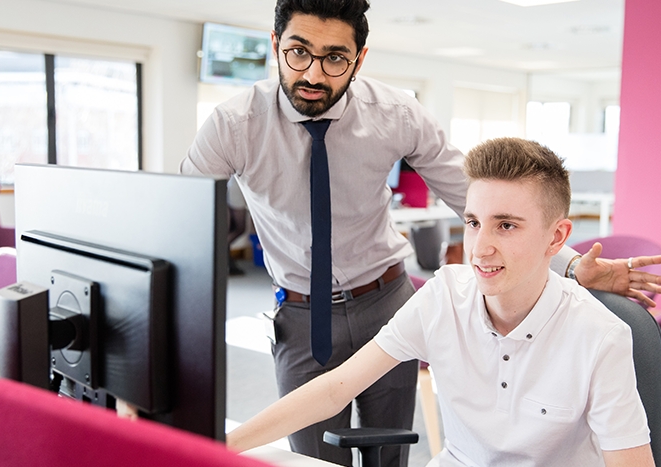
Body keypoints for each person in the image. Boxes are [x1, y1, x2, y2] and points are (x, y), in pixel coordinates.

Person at [180, 1, 661, 465]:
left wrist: (573, 266)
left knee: (390, 451)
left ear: (358, 59)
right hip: (302, 308)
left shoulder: (397, 115)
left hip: (385, 293)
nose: (312, 74)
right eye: (298, 52)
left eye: (334, 59)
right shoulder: (233, 126)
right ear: (275, 44)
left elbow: (476, 198)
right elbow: (181, 224)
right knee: (310, 452)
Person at [226, 137, 655, 467]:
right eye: (472, 222)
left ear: (557, 237)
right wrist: (224, 445)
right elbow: (337, 388)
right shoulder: (443, 296)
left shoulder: (600, 336)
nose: (480, 249)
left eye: (506, 226)